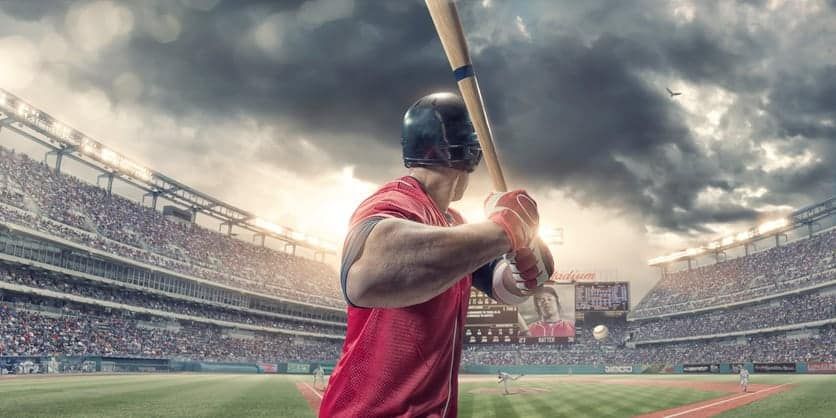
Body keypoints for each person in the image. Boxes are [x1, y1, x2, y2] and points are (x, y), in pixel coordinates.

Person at [319, 92, 554, 418]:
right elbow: (363, 277)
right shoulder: (396, 201)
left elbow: (505, 288)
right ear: (471, 153)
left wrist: (527, 265)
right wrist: (505, 228)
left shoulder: (453, 224)